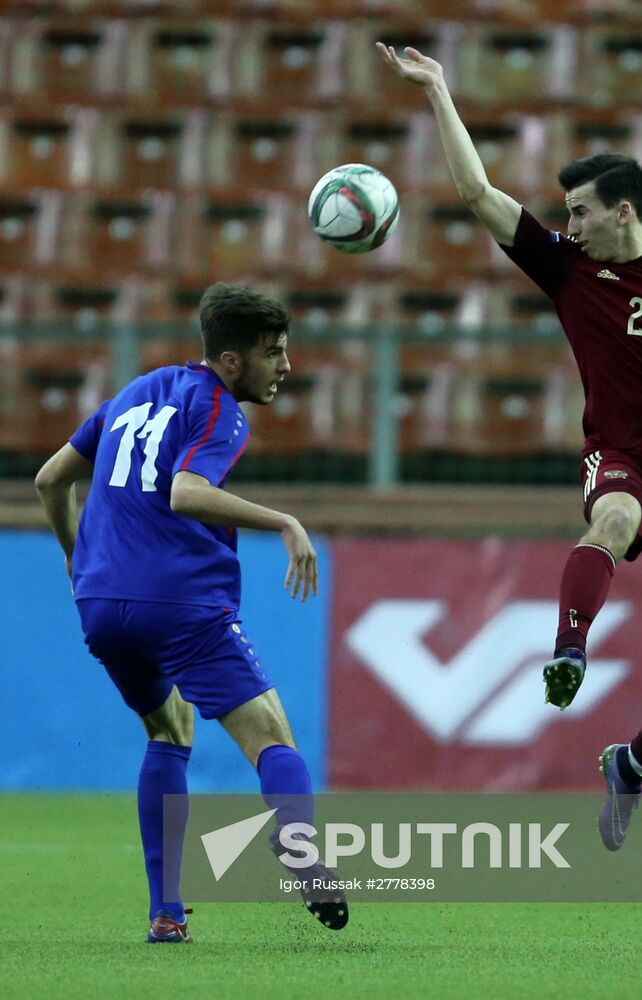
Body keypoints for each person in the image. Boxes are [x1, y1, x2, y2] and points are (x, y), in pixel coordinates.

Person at [377, 43, 642, 850]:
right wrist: (436, 92)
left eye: (579, 213)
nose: (568, 227)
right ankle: (570, 650)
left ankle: (630, 762)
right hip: (622, 454)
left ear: (623, 211)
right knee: (610, 518)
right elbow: (477, 193)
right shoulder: (567, 271)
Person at [35, 282, 348, 939]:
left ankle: (166, 914)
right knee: (271, 738)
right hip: (178, 601)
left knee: (168, 731)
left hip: (100, 604)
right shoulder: (219, 409)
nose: (286, 366)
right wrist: (284, 522)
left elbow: (51, 478)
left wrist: (74, 554)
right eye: (273, 353)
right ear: (231, 361)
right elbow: (186, 492)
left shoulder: (132, 393)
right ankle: (297, 845)